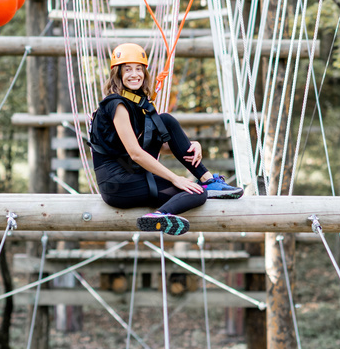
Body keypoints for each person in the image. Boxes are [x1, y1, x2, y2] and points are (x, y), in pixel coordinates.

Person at [89, 43, 244, 236]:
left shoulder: (135, 105)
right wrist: (175, 178)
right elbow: (136, 153)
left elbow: (157, 147)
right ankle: (159, 216)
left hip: (127, 174)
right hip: (118, 184)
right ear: (118, 75)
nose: (134, 74)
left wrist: (191, 144)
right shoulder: (116, 105)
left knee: (165, 120)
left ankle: (207, 179)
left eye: (139, 69)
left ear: (145, 73)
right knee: (196, 192)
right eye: (127, 69)